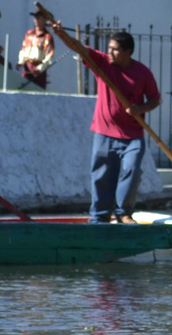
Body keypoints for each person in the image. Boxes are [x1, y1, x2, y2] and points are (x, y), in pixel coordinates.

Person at [49, 25, 160, 223]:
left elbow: (154, 99)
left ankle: (124, 212)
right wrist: (60, 33)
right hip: (104, 132)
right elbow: (78, 47)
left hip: (133, 135)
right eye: (109, 48)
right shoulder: (102, 62)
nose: (110, 52)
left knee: (132, 170)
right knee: (102, 175)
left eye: (115, 49)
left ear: (127, 52)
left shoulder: (142, 73)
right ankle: (100, 217)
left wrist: (140, 109)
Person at [16, 5, 55, 90]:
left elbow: (49, 55)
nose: (36, 20)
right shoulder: (29, 34)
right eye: (35, 17)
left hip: (39, 68)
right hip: (27, 66)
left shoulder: (47, 36)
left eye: (39, 17)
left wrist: (40, 68)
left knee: (38, 91)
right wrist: (20, 62)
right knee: (24, 89)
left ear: (44, 19)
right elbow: (23, 49)